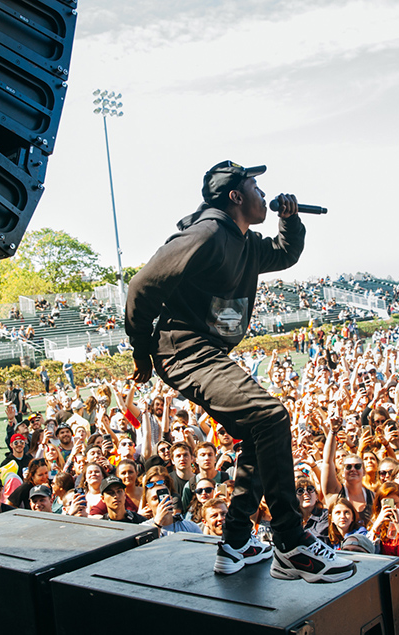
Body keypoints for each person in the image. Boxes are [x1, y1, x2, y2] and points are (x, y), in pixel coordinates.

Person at [125, 160, 353, 583]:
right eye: (255, 186)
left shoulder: (245, 243)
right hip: (184, 350)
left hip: (208, 350)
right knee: (271, 415)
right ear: (235, 197)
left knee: (258, 434)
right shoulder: (207, 233)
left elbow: (286, 254)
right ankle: (291, 542)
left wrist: (290, 220)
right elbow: (142, 286)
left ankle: (234, 541)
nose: (263, 194)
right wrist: (142, 351)